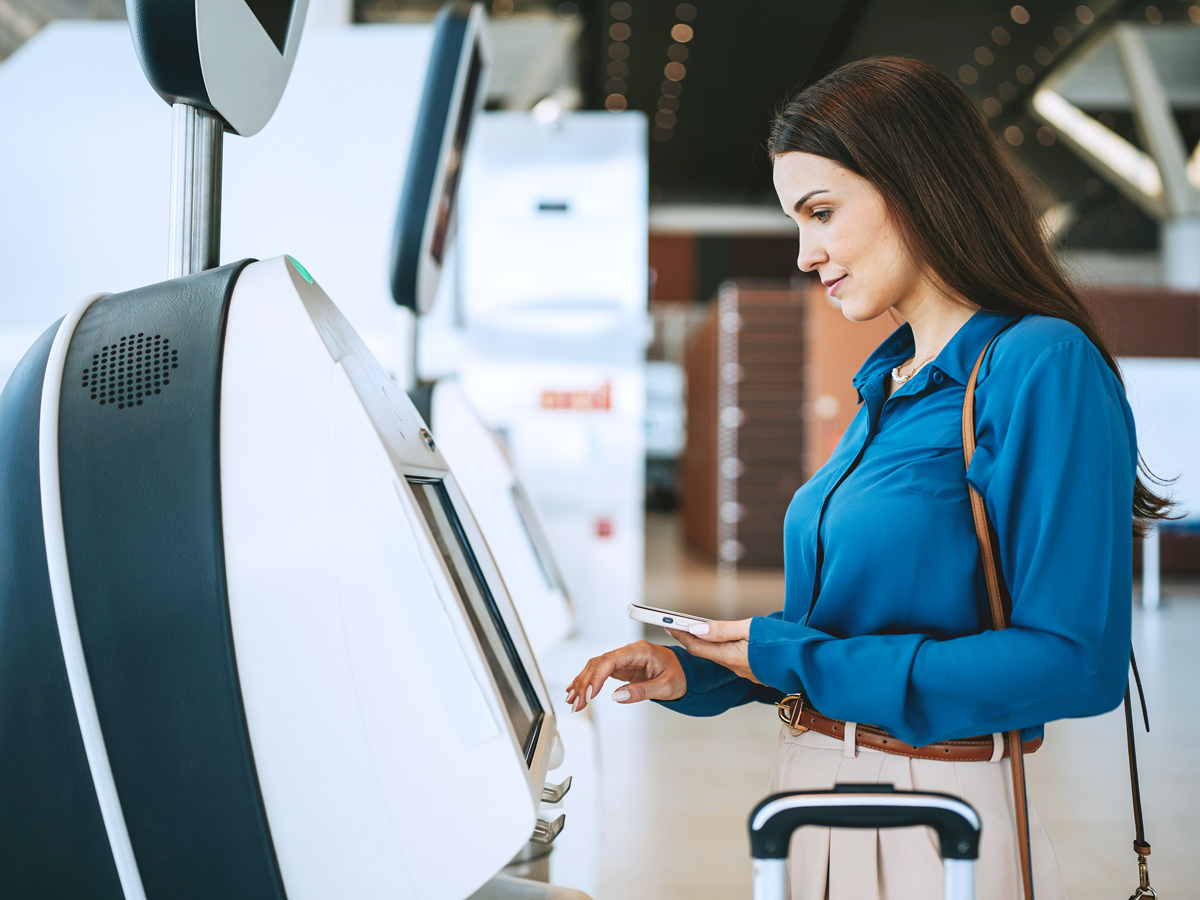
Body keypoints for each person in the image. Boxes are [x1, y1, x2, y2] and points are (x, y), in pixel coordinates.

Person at [566, 57, 1169, 900]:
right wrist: (703, 670)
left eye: (821, 213)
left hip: (934, 815)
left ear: (917, 186)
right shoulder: (885, 384)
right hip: (816, 795)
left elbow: (1075, 664)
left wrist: (796, 654)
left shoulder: (1038, 365)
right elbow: (843, 629)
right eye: (796, 222)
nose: (808, 255)